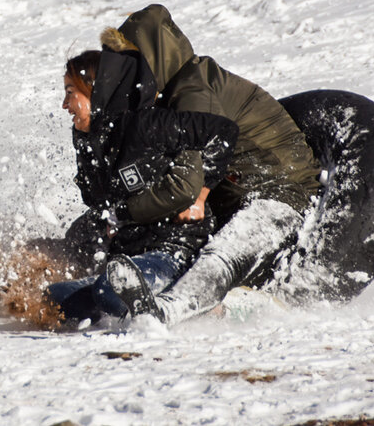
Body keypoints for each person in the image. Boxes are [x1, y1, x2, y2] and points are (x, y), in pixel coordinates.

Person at [90, 4, 323, 325]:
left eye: (132, 63)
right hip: (243, 195)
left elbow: (195, 170)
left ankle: (167, 311)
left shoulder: (193, 90)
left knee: (221, 257)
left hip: (280, 194)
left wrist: (197, 196)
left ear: (152, 57)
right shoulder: (178, 89)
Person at [44, 47, 239, 324]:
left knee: (107, 291)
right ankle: (125, 301)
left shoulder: (145, 124)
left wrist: (201, 196)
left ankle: (200, 306)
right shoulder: (90, 140)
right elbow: (99, 201)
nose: (64, 105)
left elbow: (223, 131)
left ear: (95, 91)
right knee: (56, 298)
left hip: (175, 249)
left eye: (70, 92)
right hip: (131, 256)